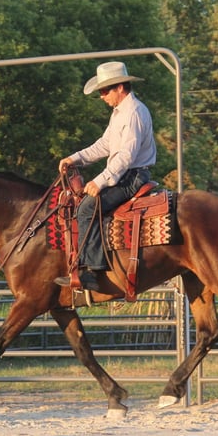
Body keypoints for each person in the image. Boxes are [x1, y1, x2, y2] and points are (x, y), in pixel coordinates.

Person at [55, 61, 157, 291]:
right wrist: (75, 158)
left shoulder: (133, 113)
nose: (102, 96)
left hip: (132, 176)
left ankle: (93, 270)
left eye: (104, 90)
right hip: (125, 174)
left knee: (88, 208)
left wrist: (100, 181)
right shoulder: (120, 113)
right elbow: (105, 145)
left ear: (120, 87)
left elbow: (126, 156)